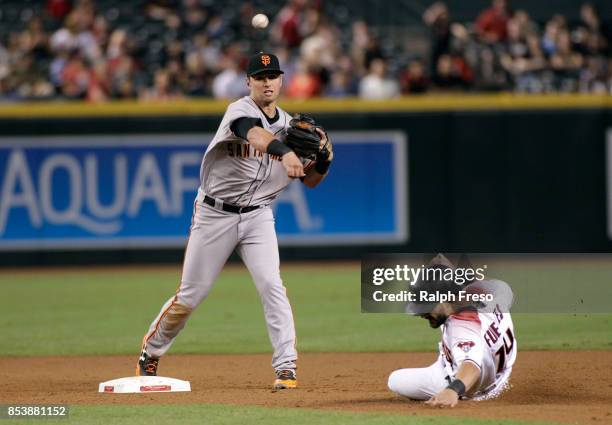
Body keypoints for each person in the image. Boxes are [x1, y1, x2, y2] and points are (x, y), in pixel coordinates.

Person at [136, 52, 333, 390]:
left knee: (272, 286)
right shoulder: (239, 111)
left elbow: (310, 181)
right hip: (214, 214)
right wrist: (285, 152)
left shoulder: (290, 126)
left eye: (273, 76)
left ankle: (286, 367)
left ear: (282, 80)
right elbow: (252, 134)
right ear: (249, 82)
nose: (267, 82)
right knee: (190, 296)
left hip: (258, 216)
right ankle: (151, 352)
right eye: (260, 76)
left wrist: (325, 158)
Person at [388, 254, 516, 406]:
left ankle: (454, 388)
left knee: (395, 380)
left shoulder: (461, 326)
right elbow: (509, 293)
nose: (422, 313)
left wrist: (453, 390)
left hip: (467, 382)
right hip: (500, 373)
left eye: (427, 306)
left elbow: (472, 366)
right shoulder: (496, 290)